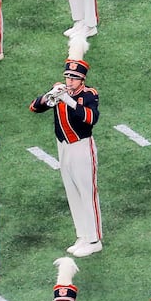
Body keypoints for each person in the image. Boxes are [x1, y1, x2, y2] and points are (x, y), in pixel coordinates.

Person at [30, 39, 102, 257]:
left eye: (73, 78)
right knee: (72, 191)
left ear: (82, 79)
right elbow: (34, 107)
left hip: (82, 146)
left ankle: (94, 238)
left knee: (87, 192)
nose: (69, 81)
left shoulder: (89, 94)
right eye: (68, 77)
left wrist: (68, 101)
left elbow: (90, 118)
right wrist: (49, 96)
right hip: (63, 147)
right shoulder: (59, 90)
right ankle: (82, 235)